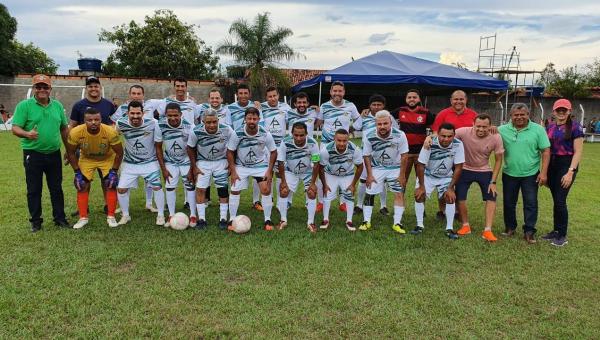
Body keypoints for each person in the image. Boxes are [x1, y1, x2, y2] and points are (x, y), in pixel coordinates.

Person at [12, 74, 69, 232]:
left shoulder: (57, 106)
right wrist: (27, 134)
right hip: (33, 153)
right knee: (34, 189)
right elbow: (15, 127)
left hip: (54, 153)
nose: (42, 90)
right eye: (39, 87)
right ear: (34, 89)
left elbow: (64, 128)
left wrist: (69, 150)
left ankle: (60, 218)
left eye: (45, 87)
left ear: (50, 89)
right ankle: (36, 221)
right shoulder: (24, 106)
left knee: (56, 188)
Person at [498, 103, 550, 244]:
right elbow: (488, 136)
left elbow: (545, 151)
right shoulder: (501, 130)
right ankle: (510, 227)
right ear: (511, 116)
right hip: (509, 173)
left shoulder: (538, 129)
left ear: (528, 114)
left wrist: (543, 173)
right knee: (509, 203)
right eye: (516, 115)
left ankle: (529, 231)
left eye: (523, 114)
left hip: (531, 174)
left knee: (531, 203)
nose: (519, 117)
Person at [65, 108, 123, 229]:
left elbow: (119, 153)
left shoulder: (110, 132)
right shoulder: (75, 132)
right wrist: (77, 172)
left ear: (101, 119)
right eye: (89, 120)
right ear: (84, 121)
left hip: (107, 158)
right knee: (81, 184)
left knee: (110, 183)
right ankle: (83, 217)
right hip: (87, 159)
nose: (93, 122)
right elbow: (70, 153)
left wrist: (114, 171)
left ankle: (111, 216)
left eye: (96, 119)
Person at [428, 90, 478, 220]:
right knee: (442, 183)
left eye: (461, 99)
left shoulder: (473, 115)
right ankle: (442, 210)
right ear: (451, 100)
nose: (458, 102)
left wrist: (492, 128)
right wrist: (429, 138)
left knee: (458, 184)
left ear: (466, 100)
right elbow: (435, 132)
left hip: (463, 156)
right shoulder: (443, 114)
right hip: (444, 156)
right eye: (456, 99)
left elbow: (481, 129)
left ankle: (457, 211)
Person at [454, 114, 504, 242]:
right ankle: (465, 226)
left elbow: (498, 160)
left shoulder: (496, 137)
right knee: (460, 196)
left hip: (484, 170)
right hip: (465, 168)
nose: (481, 129)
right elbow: (445, 134)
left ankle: (488, 230)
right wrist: (429, 138)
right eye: (478, 126)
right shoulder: (463, 132)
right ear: (473, 124)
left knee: (492, 195)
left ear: (490, 126)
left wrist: (493, 182)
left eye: (485, 127)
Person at [110, 84, 161, 212]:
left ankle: (149, 203)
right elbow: (113, 125)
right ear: (130, 94)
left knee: (151, 182)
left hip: (148, 153)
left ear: (143, 95)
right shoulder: (122, 109)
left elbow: (168, 101)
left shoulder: (151, 104)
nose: (136, 96)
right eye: (134, 93)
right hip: (130, 155)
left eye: (139, 94)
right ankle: (123, 208)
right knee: (124, 183)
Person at [115, 101, 166, 226]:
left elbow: (159, 143)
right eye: (132, 113)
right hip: (129, 163)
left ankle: (160, 215)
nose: (135, 116)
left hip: (149, 162)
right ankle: (125, 215)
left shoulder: (153, 123)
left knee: (157, 186)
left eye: (138, 113)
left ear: (143, 113)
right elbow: (113, 136)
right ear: (127, 113)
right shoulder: (120, 123)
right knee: (121, 189)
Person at [541, 99, 584, 246]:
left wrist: (570, 172)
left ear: (569, 111)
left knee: (560, 200)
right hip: (552, 164)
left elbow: (578, 152)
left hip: (566, 165)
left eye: (564, 110)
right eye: (558, 110)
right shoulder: (550, 127)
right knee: (556, 200)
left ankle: (562, 235)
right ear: (553, 112)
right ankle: (556, 231)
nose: (561, 112)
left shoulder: (575, 128)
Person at [226, 107, 277, 230]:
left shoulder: (265, 134)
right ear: (245, 119)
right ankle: (232, 219)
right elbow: (230, 151)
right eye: (249, 118)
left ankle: (267, 220)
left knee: (265, 190)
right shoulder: (237, 133)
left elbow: (274, 152)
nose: (252, 121)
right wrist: (233, 171)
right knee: (234, 189)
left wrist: (269, 170)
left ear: (259, 119)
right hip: (241, 165)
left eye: (254, 118)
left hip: (260, 165)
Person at [359, 110, 409, 233]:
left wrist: (402, 175)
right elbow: (366, 156)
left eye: (385, 123)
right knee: (369, 192)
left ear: (391, 123)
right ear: (375, 124)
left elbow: (404, 155)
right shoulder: (369, 135)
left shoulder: (400, 135)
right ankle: (366, 221)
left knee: (398, 193)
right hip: (377, 168)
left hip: (395, 168)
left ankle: (397, 223)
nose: (382, 126)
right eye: (379, 124)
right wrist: (369, 175)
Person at [413, 123, 465, 239]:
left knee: (450, 197)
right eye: (443, 136)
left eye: (449, 136)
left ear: (454, 135)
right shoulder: (430, 143)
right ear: (438, 135)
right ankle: (419, 225)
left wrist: (451, 188)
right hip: (428, 175)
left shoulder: (458, 144)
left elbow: (458, 167)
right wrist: (421, 186)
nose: (446, 139)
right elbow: (421, 165)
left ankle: (449, 228)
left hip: (446, 176)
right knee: (419, 195)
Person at [316, 80, 361, 213]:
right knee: (321, 171)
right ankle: (321, 202)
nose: (337, 93)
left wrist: (351, 129)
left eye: (340, 91)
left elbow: (359, 120)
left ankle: (343, 202)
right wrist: (314, 113)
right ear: (330, 92)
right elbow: (318, 123)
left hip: (343, 145)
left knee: (343, 170)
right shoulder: (324, 106)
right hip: (326, 144)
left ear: (344, 92)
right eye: (334, 91)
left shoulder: (350, 106)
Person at [187, 109, 235, 230]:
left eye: (214, 122)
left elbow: (234, 145)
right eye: (208, 122)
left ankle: (223, 218)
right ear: (203, 121)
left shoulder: (227, 129)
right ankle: (202, 219)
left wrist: (231, 164)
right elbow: (190, 148)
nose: (212, 125)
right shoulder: (196, 131)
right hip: (203, 162)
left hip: (221, 161)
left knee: (223, 190)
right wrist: (194, 166)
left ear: (218, 120)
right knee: (201, 190)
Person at [354, 94, 398, 215]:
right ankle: (359, 205)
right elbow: (355, 127)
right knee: (363, 180)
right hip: (366, 154)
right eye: (374, 104)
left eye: (379, 104)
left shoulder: (389, 118)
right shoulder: (365, 116)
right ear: (370, 106)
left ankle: (383, 206)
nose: (377, 107)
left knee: (381, 180)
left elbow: (396, 132)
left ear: (384, 106)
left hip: (382, 154)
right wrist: (361, 116)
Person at [155, 102, 197, 228]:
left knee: (190, 186)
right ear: (166, 115)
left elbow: (194, 149)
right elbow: (158, 148)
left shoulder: (190, 127)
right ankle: (171, 214)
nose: (173, 118)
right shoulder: (160, 125)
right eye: (170, 116)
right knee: (170, 186)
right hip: (170, 161)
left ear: (181, 115)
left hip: (186, 161)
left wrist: (191, 168)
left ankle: (193, 215)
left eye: (176, 115)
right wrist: (163, 169)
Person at [277, 122, 321, 232]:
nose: (298, 138)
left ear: (306, 134)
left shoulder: (313, 143)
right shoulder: (285, 142)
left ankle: (310, 222)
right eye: (296, 135)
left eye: (301, 135)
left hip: (307, 171)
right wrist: (283, 181)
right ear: (291, 133)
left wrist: (313, 183)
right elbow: (281, 162)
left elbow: (316, 164)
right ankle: (283, 220)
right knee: (283, 191)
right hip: (291, 171)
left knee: (311, 192)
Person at [226, 84, 263, 211]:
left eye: (245, 93)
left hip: (255, 145)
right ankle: (228, 203)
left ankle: (256, 201)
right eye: (240, 93)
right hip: (236, 144)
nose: (243, 96)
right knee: (234, 174)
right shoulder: (230, 108)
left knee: (258, 174)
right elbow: (228, 126)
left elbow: (261, 123)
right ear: (237, 94)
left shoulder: (256, 106)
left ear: (249, 94)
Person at [318, 129, 363, 231]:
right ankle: (325, 219)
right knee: (327, 195)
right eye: (339, 140)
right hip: (331, 174)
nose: (342, 143)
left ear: (348, 140)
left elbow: (360, 166)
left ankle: (349, 221)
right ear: (334, 139)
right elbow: (321, 168)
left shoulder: (355, 149)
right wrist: (325, 184)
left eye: (344, 141)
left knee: (349, 195)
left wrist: (353, 184)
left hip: (347, 174)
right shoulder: (326, 150)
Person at [395, 89, 435, 183]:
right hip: (405, 153)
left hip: (421, 152)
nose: (412, 99)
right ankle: (400, 198)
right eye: (409, 97)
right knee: (402, 179)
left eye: (414, 97)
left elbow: (435, 127)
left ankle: (419, 197)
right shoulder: (400, 110)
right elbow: (384, 116)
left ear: (419, 99)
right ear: (406, 99)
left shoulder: (426, 112)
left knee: (421, 180)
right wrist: (367, 110)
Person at [261, 86, 291, 205]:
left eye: (274, 96)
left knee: (280, 173)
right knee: (268, 172)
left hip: (281, 146)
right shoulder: (261, 107)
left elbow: (292, 122)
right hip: (266, 147)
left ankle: (280, 201)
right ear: (266, 97)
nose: (272, 98)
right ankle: (268, 200)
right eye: (270, 96)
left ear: (278, 95)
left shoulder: (286, 107)